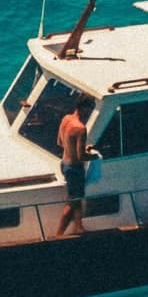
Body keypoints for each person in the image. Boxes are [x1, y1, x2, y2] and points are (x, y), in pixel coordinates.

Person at [55, 93, 96, 236]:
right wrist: (93, 156)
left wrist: (79, 148)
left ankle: (79, 227)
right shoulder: (80, 128)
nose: (90, 111)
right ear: (84, 107)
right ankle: (58, 235)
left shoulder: (66, 119)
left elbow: (60, 142)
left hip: (64, 163)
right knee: (72, 202)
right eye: (91, 108)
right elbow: (80, 156)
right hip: (74, 168)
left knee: (77, 199)